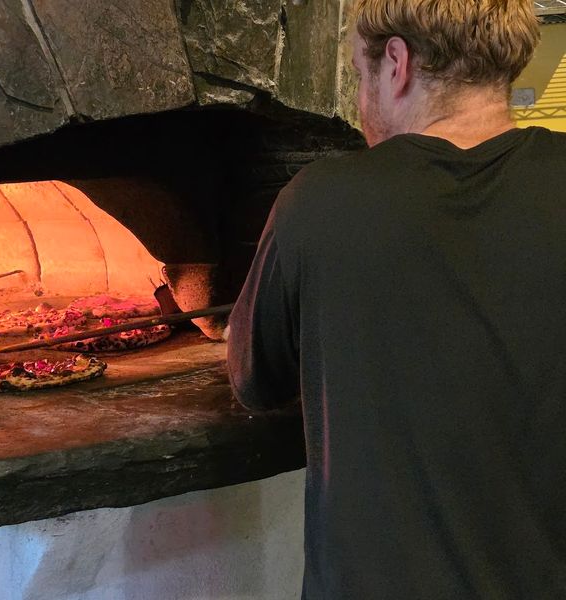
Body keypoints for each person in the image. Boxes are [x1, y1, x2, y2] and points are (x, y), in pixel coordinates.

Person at [226, 1, 566, 598]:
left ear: (397, 63)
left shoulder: (319, 199)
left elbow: (255, 381)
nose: (362, 99)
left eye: (361, 75)